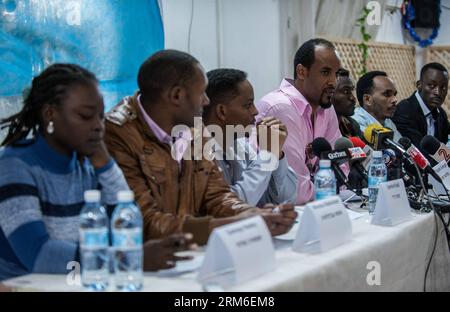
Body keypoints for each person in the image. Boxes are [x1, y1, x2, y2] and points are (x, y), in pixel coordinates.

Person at [0, 64, 196, 281]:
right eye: (86, 116)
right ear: (50, 114)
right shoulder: (14, 166)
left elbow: (126, 225)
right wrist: (127, 259)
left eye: (100, 117)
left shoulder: (85, 164)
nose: (98, 126)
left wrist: (105, 163)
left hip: (77, 282)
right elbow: (38, 256)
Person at [104, 50, 297, 245]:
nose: (206, 101)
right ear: (177, 95)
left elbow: (217, 195)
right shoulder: (118, 134)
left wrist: (256, 215)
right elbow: (145, 222)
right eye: (201, 93)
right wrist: (242, 222)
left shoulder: (195, 128)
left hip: (187, 249)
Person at [256, 38, 343, 204]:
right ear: (302, 72)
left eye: (336, 74)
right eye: (325, 72)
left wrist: (328, 186)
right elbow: (296, 190)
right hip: (271, 210)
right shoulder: (281, 108)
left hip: (311, 206)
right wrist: (327, 187)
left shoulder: (326, 107)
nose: (333, 82)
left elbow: (340, 166)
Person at [202, 68, 297, 206]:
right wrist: (267, 155)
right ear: (222, 111)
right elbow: (231, 207)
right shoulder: (197, 151)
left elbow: (284, 199)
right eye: (247, 105)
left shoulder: (240, 146)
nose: (255, 111)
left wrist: (277, 153)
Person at [392, 62, 449, 148]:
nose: (438, 92)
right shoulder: (404, 111)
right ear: (419, 85)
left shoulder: (441, 113)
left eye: (443, 87)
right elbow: (418, 152)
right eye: (432, 85)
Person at [353, 71, 401, 141]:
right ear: (367, 99)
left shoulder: (388, 122)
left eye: (394, 94)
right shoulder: (356, 122)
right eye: (387, 94)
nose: (395, 100)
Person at [331, 69, 361, 138]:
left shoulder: (352, 125)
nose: (353, 98)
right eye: (346, 92)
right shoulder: (318, 127)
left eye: (352, 90)